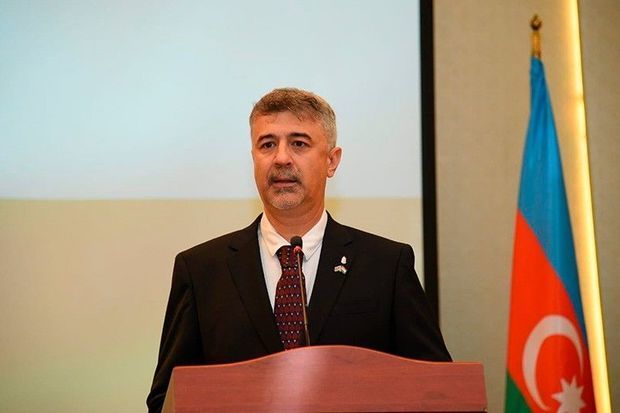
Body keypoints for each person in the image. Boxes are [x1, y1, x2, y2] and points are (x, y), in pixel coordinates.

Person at [146, 87, 451, 412]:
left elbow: (440, 391)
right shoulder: (201, 271)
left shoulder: (386, 266)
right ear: (253, 158)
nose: (281, 158)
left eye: (299, 143)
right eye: (267, 144)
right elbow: (166, 400)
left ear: (332, 161)